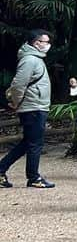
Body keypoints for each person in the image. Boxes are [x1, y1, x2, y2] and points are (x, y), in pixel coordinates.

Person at [0, 28, 55, 190]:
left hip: (36, 106)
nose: (48, 45)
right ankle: (34, 177)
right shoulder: (30, 60)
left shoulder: (35, 58)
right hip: (32, 107)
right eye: (46, 42)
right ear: (37, 43)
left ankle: (2, 169)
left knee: (28, 142)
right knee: (34, 143)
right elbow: (18, 84)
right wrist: (16, 103)